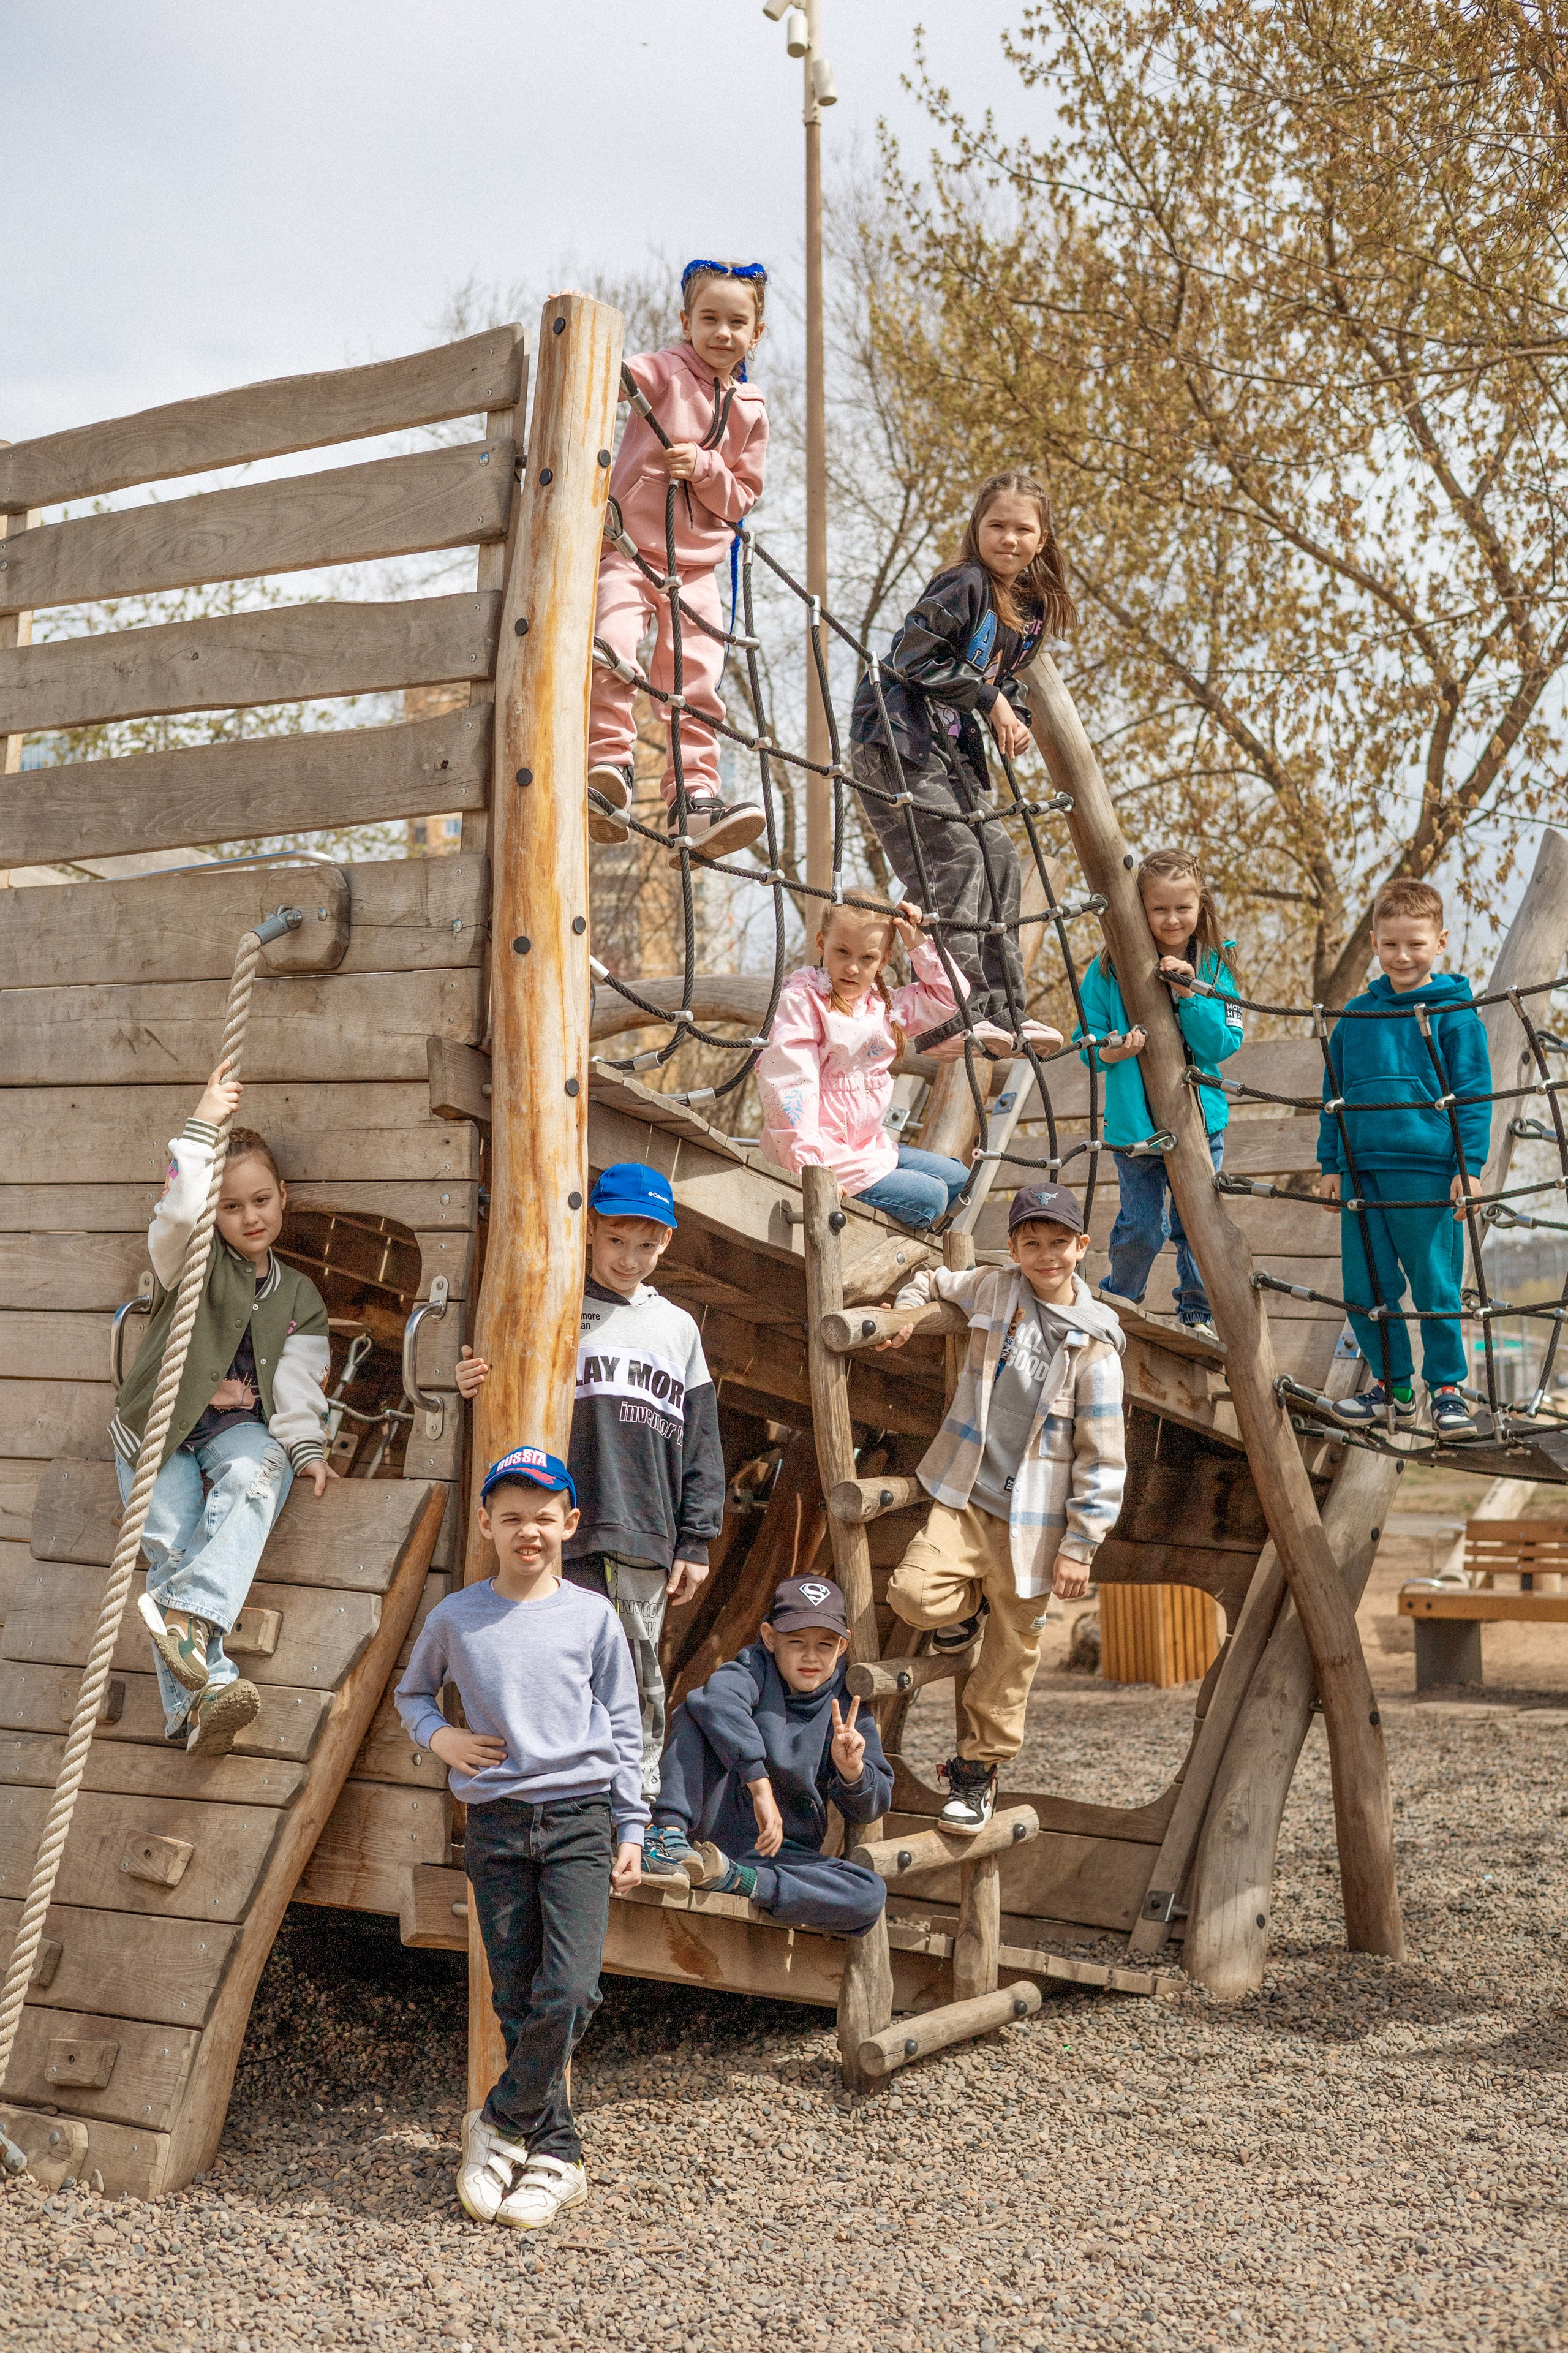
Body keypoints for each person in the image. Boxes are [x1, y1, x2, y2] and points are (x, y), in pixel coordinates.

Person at [395, 1445, 645, 2232]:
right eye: (511, 1518)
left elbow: (627, 1725)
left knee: (570, 1988)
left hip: (578, 1818)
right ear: (486, 1525)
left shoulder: (593, 1616)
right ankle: (557, 2153)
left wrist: (632, 1822)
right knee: (515, 1995)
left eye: (543, 1518)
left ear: (569, 1524)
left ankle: (499, 2121)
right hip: (497, 1824)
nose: (527, 1531)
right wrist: (443, 1740)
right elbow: (411, 1694)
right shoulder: (456, 1616)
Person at [455, 1162, 725, 1848]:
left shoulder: (677, 1328)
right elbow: (496, 1370)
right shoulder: (556, 1303)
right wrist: (470, 1375)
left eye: (646, 1245)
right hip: (558, 1526)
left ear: (666, 1244)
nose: (629, 1258)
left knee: (635, 1672)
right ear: (590, 1233)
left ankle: (642, 1811)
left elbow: (702, 1444)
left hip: (644, 1529)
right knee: (548, 1662)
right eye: (615, 1241)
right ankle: (555, 1803)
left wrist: (696, 1539)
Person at [879, 1182, 1126, 1834]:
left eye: (1058, 1243)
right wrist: (905, 1313)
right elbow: (933, 1280)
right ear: (1013, 1247)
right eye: (1030, 1243)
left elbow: (1102, 1458)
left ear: (1081, 1246)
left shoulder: (1097, 1350)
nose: (1045, 1256)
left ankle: (977, 1770)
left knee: (1012, 1654)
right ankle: (966, 1609)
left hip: (1037, 1527)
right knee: (911, 1594)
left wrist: (1081, 1544)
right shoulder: (994, 1289)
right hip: (966, 1495)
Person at [110, 1060, 333, 1758]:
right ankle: (207, 1695)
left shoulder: (299, 1295)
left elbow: (298, 1386)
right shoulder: (193, 1257)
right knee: (172, 1545)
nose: (249, 1217)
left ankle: (189, 1631)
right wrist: (204, 1122)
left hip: (231, 1430)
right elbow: (178, 1208)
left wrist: (307, 1447)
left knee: (261, 1465)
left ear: (283, 1196)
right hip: (157, 1430)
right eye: (233, 1206)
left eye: (261, 1200)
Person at [848, 469, 1077, 1050]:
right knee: (958, 856)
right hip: (897, 741)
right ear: (975, 530)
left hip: (946, 749)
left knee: (999, 856)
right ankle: (952, 1006)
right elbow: (912, 655)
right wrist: (990, 699)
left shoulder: (1028, 610)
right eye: (995, 525)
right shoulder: (964, 583)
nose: (1008, 538)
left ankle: (1004, 1009)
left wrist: (1013, 710)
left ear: (1042, 539)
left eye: (1023, 529)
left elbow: (999, 679)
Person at [587, 259, 770, 865]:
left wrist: (708, 468)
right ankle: (605, 764)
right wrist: (583, 349)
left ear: (756, 333)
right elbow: (610, 379)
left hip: (695, 571)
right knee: (612, 643)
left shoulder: (750, 408)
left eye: (736, 322)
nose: (722, 333)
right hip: (630, 550)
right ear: (685, 323)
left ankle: (693, 797)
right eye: (709, 319)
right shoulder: (666, 370)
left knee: (696, 681)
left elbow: (742, 496)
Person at [1317, 877, 1491, 1437]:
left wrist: (1470, 1166)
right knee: (1365, 1289)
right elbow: (1333, 1096)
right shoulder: (1356, 1017)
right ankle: (1394, 1388)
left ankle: (1447, 1391)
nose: (1403, 955)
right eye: (1391, 944)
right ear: (1373, 942)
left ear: (1440, 942)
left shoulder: (1457, 1016)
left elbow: (1473, 1097)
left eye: (1416, 943)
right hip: (1363, 1173)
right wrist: (1331, 1164)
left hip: (1429, 1174)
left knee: (1435, 1288)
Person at [756, 893, 1031, 1232]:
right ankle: (882, 1232)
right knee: (930, 1197)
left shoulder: (884, 1008)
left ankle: (898, 1227)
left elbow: (952, 998)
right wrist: (812, 1173)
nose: (853, 967)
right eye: (842, 952)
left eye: (867, 957)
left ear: (884, 960)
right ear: (821, 943)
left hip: (868, 1147)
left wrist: (916, 940)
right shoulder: (802, 1003)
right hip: (818, 1157)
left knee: (961, 1179)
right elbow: (790, 1091)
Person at [644, 1574, 892, 1936]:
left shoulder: (848, 1707)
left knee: (870, 1895)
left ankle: (739, 1881)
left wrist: (852, 1771)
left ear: (842, 1646)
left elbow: (874, 1803)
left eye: (825, 1644)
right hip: (706, 1829)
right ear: (770, 1637)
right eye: (796, 1642)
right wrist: (760, 1786)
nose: (811, 1656)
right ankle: (667, 1836)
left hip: (774, 1852)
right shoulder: (752, 1669)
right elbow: (717, 1700)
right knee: (698, 1709)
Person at [1073, 847, 1245, 1342]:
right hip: (1135, 1127)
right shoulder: (1107, 970)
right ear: (1139, 909)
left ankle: (1197, 1311)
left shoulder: (1215, 968)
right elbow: (1085, 1042)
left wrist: (1190, 996)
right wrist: (1112, 1051)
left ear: (1200, 907)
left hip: (1199, 1120)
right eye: (1159, 908)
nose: (1172, 919)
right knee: (1142, 1227)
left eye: (1182, 908)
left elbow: (1224, 1042)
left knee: (1197, 1224)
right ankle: (1119, 1299)